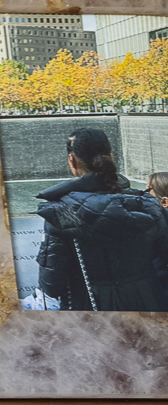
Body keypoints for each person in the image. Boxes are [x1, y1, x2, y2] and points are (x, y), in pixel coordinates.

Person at [36, 127, 168, 311]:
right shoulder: (148, 205)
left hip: (89, 305)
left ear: (72, 160)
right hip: (149, 301)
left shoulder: (60, 212)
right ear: (111, 158)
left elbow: (51, 284)